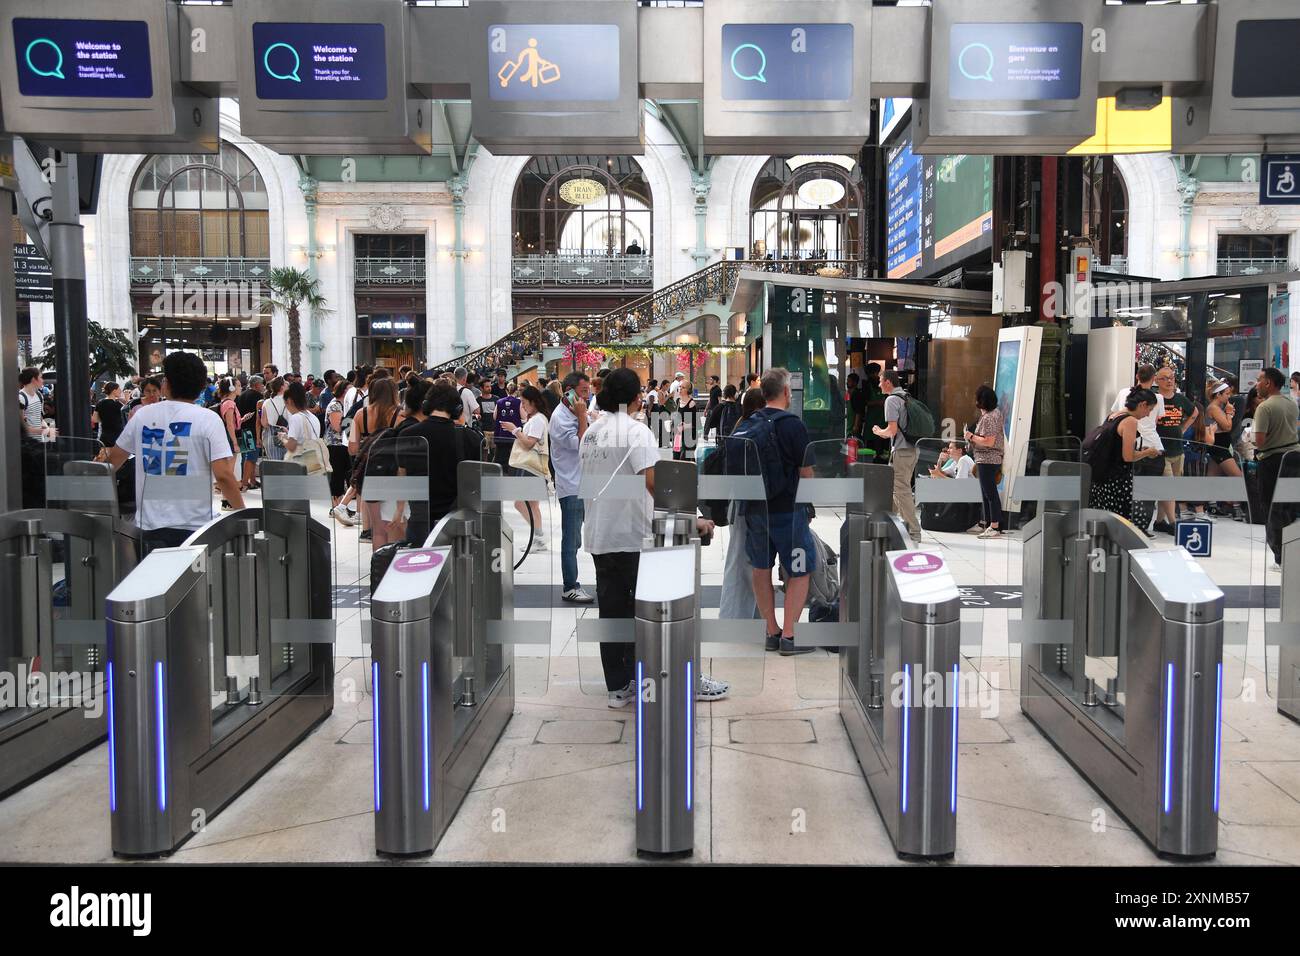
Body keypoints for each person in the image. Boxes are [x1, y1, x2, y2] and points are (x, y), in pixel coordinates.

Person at [580, 368, 725, 706]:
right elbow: (653, 482)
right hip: (632, 536)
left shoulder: (592, 433)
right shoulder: (635, 431)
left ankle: (620, 685)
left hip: (600, 534)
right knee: (652, 614)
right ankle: (665, 679)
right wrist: (692, 519)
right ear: (636, 397)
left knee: (613, 612)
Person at [108, 351, 244, 552]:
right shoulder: (208, 419)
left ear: (166, 383)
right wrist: (243, 514)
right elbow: (223, 475)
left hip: (148, 528)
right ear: (200, 387)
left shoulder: (142, 416)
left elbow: (113, 461)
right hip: (194, 529)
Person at [737, 368, 816, 656]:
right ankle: (791, 636)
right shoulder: (793, 425)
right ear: (786, 392)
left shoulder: (749, 422)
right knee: (799, 568)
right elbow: (806, 472)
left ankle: (772, 631)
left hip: (756, 510)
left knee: (761, 567)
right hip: (787, 509)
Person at [397, 380, 481, 545]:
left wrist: (399, 511)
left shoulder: (408, 435)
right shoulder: (471, 438)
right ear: (458, 410)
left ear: (426, 405)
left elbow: (402, 475)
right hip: (456, 523)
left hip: (420, 521)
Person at [718, 386, 767, 622]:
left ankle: (750, 615)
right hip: (749, 505)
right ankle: (735, 617)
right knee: (743, 563)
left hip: (738, 503)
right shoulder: (752, 433)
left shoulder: (740, 427)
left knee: (743, 561)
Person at [549, 371, 594, 603]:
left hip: (586, 482)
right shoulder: (560, 418)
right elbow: (583, 445)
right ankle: (570, 585)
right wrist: (583, 416)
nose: (588, 395)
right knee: (571, 538)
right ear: (568, 391)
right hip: (572, 485)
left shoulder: (573, 412)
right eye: (584, 391)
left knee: (587, 534)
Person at [1088, 387, 1161, 521]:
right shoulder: (1130, 421)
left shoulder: (1113, 416)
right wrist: (1147, 452)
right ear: (1142, 405)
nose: (1148, 415)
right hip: (1117, 482)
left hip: (1101, 479)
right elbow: (1128, 456)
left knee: (1103, 522)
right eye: (1149, 410)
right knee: (1120, 524)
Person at [1251, 367, 1300, 565]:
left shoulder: (1265, 407)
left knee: (1270, 508)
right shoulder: (1291, 403)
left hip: (1272, 462)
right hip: (1294, 458)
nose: (1256, 384)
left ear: (1268, 383)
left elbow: (1260, 441)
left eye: (1259, 380)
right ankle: (1291, 552)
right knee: (1288, 507)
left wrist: (1250, 438)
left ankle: (1280, 557)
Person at [1112, 364, 1164, 536]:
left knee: (1127, 489)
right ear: (1154, 378)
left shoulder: (1123, 393)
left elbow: (1114, 414)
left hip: (1126, 445)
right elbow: (1155, 422)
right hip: (1150, 446)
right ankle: (1141, 527)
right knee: (1147, 491)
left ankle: (1126, 524)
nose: (1147, 413)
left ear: (1137, 376)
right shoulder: (1157, 398)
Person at [351, 377, 402, 547]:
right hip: (392, 473)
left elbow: (352, 447)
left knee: (377, 529)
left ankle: (377, 567)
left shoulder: (360, 414)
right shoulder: (399, 415)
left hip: (369, 472)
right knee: (393, 526)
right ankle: (391, 567)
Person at [873, 370, 922, 543]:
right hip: (912, 449)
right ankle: (890, 523)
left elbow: (892, 430)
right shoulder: (906, 396)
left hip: (902, 450)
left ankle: (914, 531)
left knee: (902, 490)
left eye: (880, 381)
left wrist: (879, 432)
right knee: (895, 488)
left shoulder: (891, 400)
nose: (879, 384)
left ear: (887, 382)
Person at [500, 385, 549, 552]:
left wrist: (514, 430)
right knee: (531, 505)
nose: (522, 405)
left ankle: (539, 536)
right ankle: (539, 537)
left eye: (524, 402)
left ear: (533, 402)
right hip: (533, 467)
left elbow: (528, 444)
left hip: (530, 467)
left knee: (521, 503)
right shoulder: (538, 418)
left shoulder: (537, 420)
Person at [1152, 366, 1198, 534]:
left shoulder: (1180, 399)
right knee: (1168, 487)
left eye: (1171, 377)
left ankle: (1159, 521)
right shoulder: (1154, 399)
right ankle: (1173, 522)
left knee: (1171, 488)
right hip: (1161, 451)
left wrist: (1183, 429)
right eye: (1165, 378)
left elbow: (1195, 412)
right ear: (1157, 381)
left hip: (1177, 450)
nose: (1169, 380)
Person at [964, 385, 1006, 538]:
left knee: (990, 493)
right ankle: (987, 522)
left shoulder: (989, 418)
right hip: (989, 459)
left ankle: (993, 526)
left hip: (988, 458)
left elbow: (989, 441)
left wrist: (970, 436)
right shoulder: (995, 414)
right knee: (987, 492)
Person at [1205, 381, 1246, 520]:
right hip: (1219, 446)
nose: (1229, 396)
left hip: (1219, 444)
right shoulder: (1214, 408)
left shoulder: (1217, 407)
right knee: (1237, 476)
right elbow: (1228, 427)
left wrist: (1228, 413)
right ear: (1218, 395)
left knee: (1213, 476)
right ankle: (1236, 508)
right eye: (1227, 394)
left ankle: (1212, 505)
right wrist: (1229, 414)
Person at [235, 374, 264, 490]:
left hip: (243, 429)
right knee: (251, 457)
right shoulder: (258, 397)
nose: (263, 387)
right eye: (262, 384)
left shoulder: (241, 395)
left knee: (245, 456)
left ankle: (251, 480)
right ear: (257, 385)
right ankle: (245, 482)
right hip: (253, 430)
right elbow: (259, 416)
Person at [493, 379, 523, 470]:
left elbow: (495, 417)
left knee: (501, 458)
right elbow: (524, 417)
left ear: (506, 390)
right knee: (514, 459)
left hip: (501, 435)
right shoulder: (519, 402)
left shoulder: (499, 402)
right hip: (514, 435)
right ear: (516, 391)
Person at [260, 376, 288, 462]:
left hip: (271, 435)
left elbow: (264, 423)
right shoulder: (290, 400)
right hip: (288, 433)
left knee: (275, 466)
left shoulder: (267, 402)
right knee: (290, 465)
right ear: (282, 387)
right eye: (286, 384)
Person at [92, 381, 127, 448]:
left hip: (104, 436)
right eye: (119, 389)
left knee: (104, 456)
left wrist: (104, 419)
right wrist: (126, 399)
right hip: (117, 436)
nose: (120, 391)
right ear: (114, 391)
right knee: (117, 457)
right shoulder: (118, 404)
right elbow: (127, 414)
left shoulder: (100, 402)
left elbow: (94, 419)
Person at [673, 381, 700, 461]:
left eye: (683, 387)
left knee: (686, 460)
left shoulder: (691, 403)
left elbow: (697, 423)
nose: (680, 389)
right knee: (676, 458)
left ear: (688, 390)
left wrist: (685, 426)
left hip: (689, 436)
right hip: (678, 434)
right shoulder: (678, 401)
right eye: (679, 387)